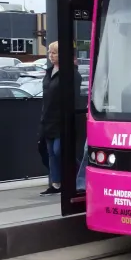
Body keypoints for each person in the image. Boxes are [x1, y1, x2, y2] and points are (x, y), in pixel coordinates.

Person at [38, 41, 83, 196]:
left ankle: (82, 175)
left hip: (63, 119)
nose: (51, 56)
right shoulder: (49, 72)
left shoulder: (71, 73)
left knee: (60, 151)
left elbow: (74, 98)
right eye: (50, 53)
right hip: (49, 119)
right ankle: (56, 184)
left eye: (55, 53)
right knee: (51, 153)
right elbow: (47, 97)